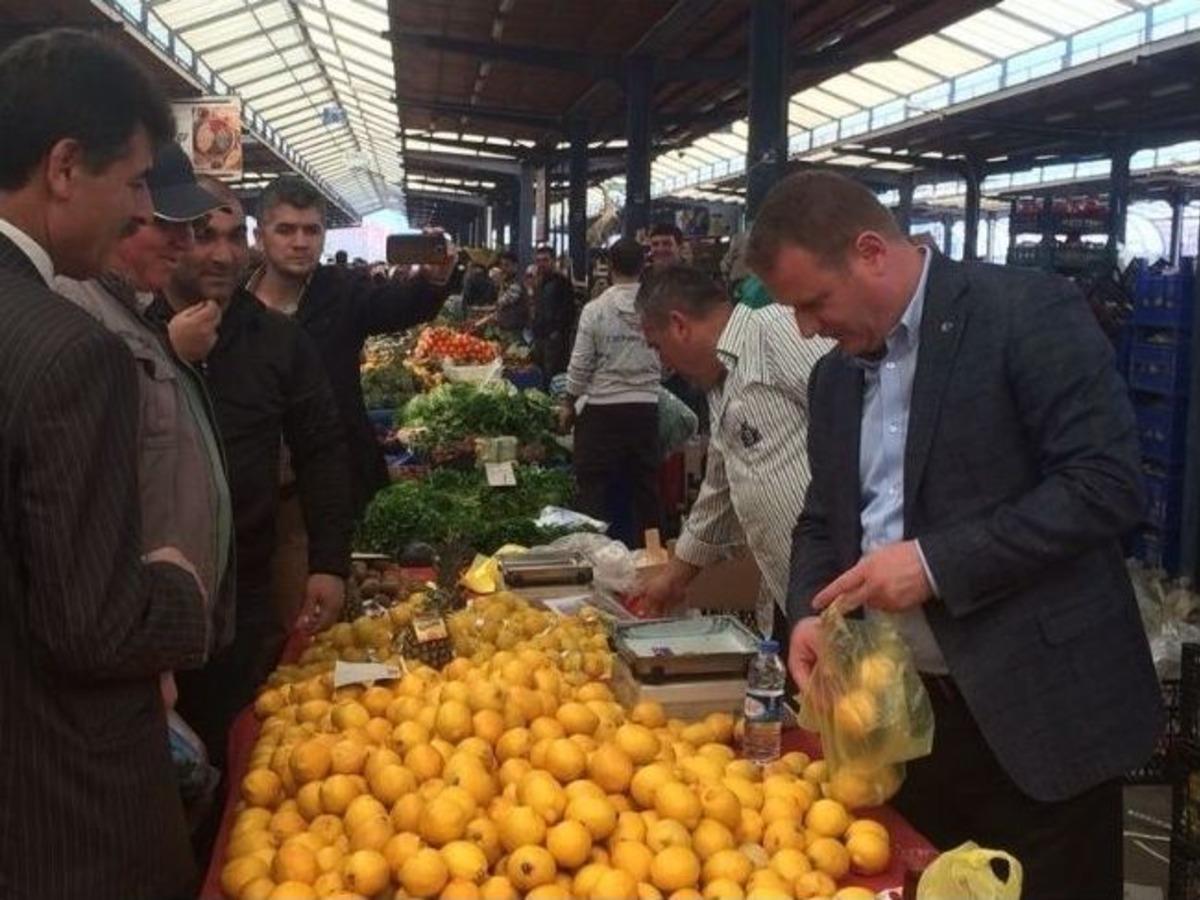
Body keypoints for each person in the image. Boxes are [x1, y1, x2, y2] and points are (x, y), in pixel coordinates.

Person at [748, 170, 1162, 900]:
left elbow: (1106, 483)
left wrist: (937, 564)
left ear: (871, 251)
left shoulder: (1024, 314)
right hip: (905, 727)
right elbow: (822, 515)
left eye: (814, 303)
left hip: (1038, 716)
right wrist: (809, 611)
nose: (808, 329)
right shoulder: (834, 380)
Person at [0, 29, 208, 900]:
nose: (137, 214)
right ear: (62, 167)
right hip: (65, 813)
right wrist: (174, 588)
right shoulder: (67, 352)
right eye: (130, 183)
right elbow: (94, 623)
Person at [154, 178, 354, 772]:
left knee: (238, 741)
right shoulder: (132, 334)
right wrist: (167, 355)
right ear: (169, 239)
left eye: (231, 235)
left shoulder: (276, 339)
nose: (220, 253)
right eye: (200, 235)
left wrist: (329, 562)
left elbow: (321, 446)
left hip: (246, 587)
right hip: (151, 591)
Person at [55, 141, 235, 698]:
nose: (185, 245)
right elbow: (83, 512)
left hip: (164, 632)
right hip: (133, 646)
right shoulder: (76, 319)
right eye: (167, 224)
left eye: (194, 227)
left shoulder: (134, 313)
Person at [244, 176, 450, 628]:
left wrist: (432, 283)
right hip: (252, 486)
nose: (300, 242)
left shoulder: (340, 290)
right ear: (259, 236)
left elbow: (398, 305)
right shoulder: (233, 302)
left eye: (311, 230)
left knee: (328, 609)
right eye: (286, 230)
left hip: (328, 478)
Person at [636, 265, 830, 639]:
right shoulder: (721, 383)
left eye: (658, 346)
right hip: (794, 592)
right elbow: (719, 490)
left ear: (679, 324)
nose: (663, 365)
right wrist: (675, 576)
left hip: (843, 585)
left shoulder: (775, 333)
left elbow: (860, 418)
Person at [563, 237, 662, 546]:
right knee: (646, 491)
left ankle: (591, 557)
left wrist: (569, 401)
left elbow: (581, 363)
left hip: (601, 412)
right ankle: (652, 558)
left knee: (592, 489)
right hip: (645, 408)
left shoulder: (596, 309)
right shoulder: (655, 307)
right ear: (644, 266)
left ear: (609, 267)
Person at [530, 243, 576, 377]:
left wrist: (557, 332)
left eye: (545, 260)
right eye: (538, 260)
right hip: (539, 337)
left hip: (555, 340)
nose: (541, 264)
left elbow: (569, 310)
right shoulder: (539, 283)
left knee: (553, 374)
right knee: (539, 373)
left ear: (553, 261)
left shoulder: (562, 282)